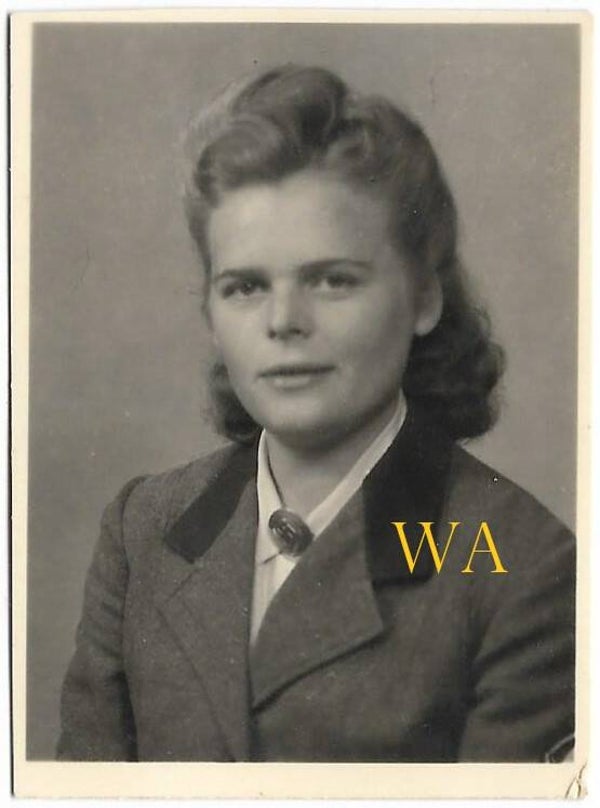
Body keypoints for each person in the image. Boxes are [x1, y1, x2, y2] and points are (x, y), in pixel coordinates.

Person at [56, 65, 575, 763]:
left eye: (332, 280)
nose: (282, 321)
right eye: (243, 286)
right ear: (209, 313)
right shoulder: (144, 527)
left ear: (424, 298)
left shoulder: (523, 565)